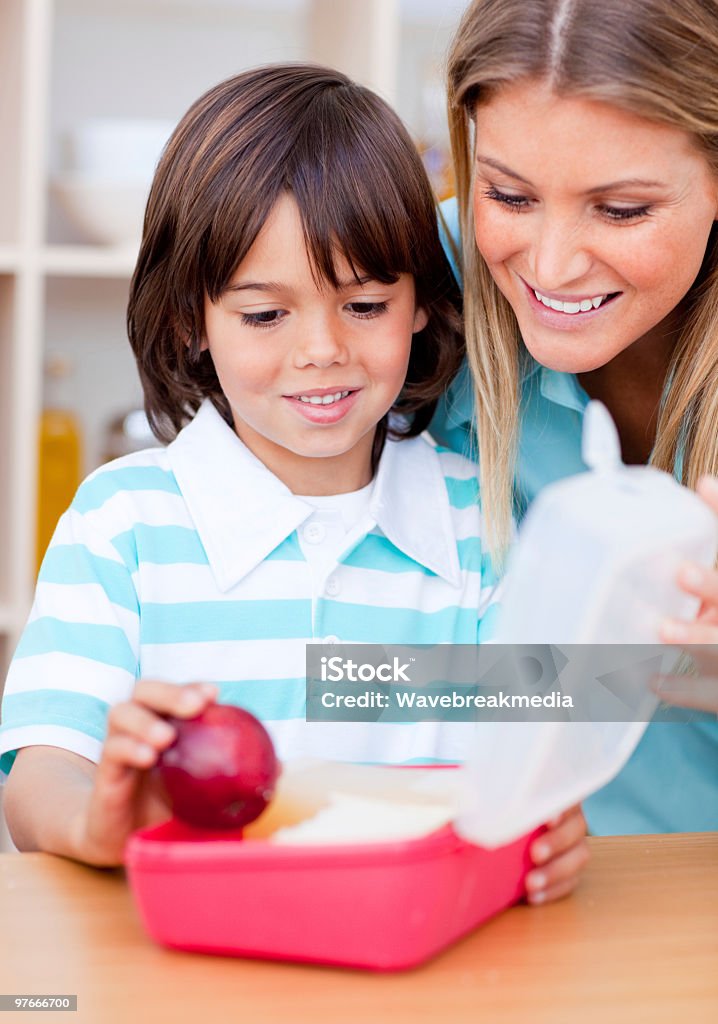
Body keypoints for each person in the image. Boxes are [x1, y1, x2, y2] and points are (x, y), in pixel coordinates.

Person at [0, 64, 586, 899]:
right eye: (265, 314)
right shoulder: (122, 524)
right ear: (189, 318)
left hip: (415, 955)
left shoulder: (476, 519)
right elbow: (38, 774)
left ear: (422, 301)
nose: (322, 350)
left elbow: (530, 761)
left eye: (365, 305)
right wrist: (99, 820)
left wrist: (548, 827)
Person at [431, 0, 718, 833]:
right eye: (510, 196)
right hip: (488, 903)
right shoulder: (410, 290)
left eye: (621, 210)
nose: (550, 265)